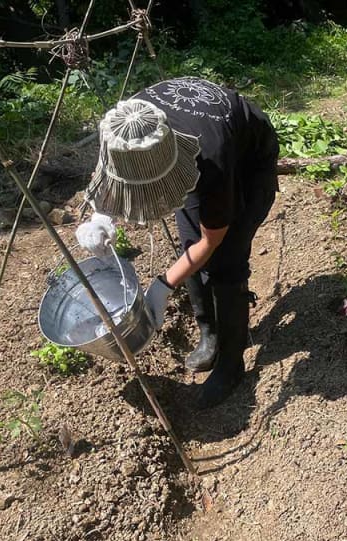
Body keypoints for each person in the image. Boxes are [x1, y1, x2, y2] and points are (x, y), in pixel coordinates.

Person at [75, 77, 279, 410]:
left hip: (247, 159)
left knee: (226, 261)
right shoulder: (127, 125)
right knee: (189, 242)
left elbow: (212, 240)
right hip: (187, 150)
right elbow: (111, 169)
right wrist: (101, 217)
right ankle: (208, 331)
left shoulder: (211, 157)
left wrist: (163, 285)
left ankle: (231, 361)